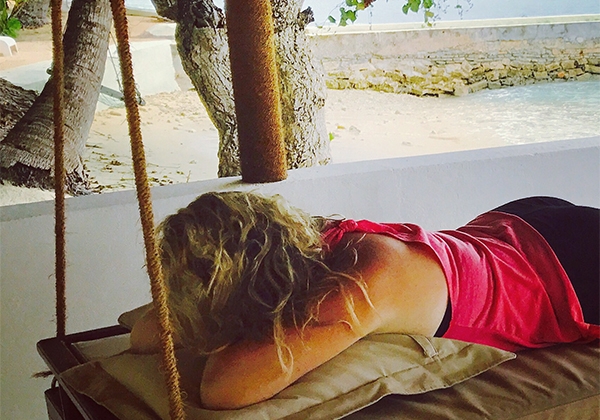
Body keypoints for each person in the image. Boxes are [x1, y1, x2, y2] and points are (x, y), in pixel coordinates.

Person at [130, 192, 600, 410]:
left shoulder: (351, 292)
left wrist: (212, 317)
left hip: (570, 275)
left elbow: (224, 389)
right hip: (517, 224)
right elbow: (144, 335)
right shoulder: (304, 243)